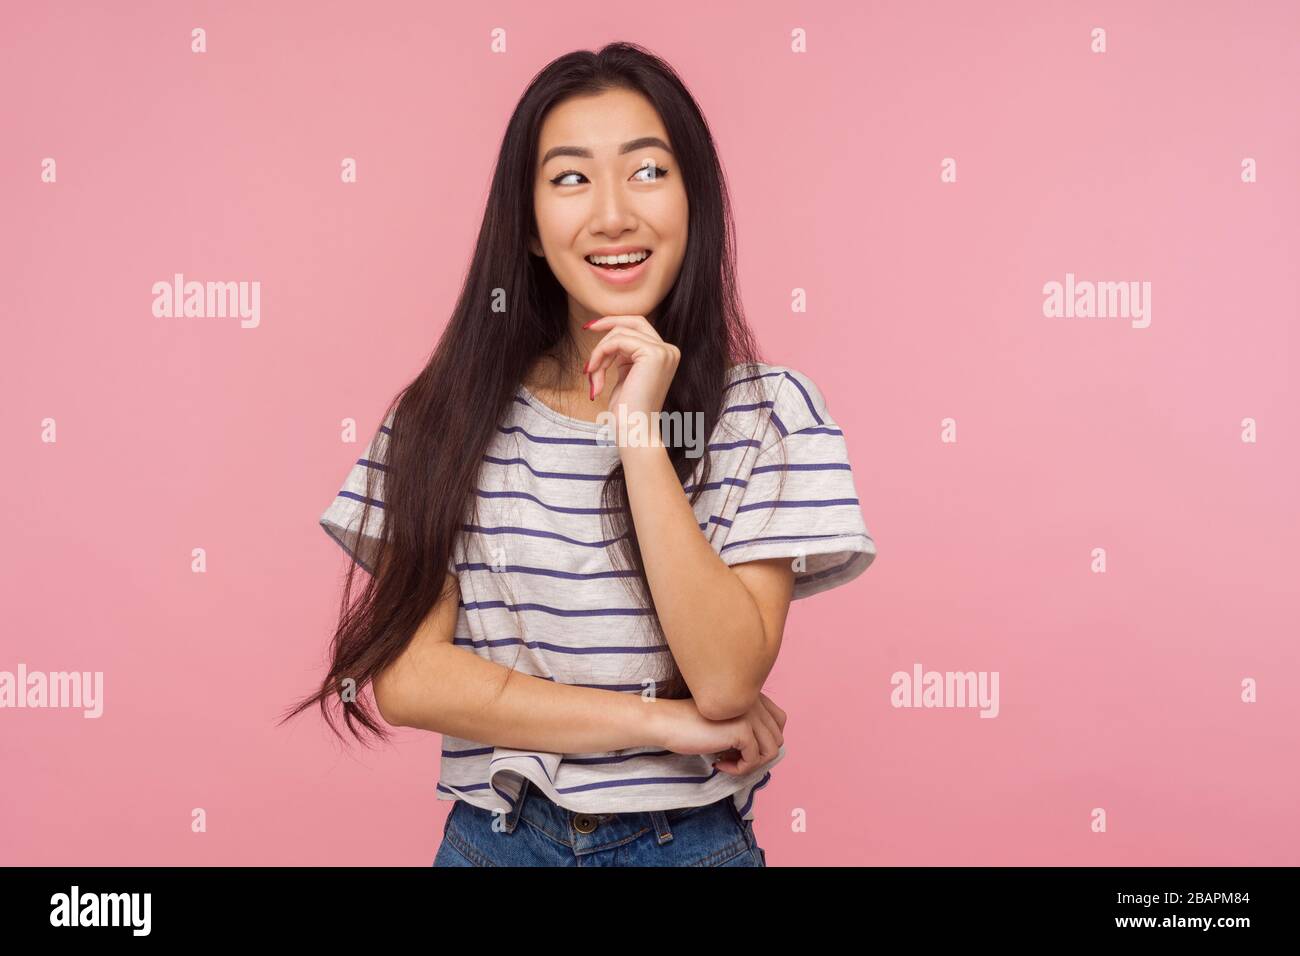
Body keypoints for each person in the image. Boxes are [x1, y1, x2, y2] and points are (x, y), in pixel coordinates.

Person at [290, 41, 877, 867]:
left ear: (694, 201)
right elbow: (411, 679)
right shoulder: (444, 419)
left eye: (647, 171)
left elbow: (724, 682)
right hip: (497, 843)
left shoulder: (768, 414)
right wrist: (661, 723)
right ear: (529, 228)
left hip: (689, 848)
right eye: (570, 178)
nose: (612, 215)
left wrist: (640, 433)